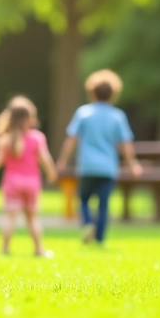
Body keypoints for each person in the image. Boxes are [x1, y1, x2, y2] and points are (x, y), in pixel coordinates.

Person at [56, 69, 143, 245]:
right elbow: (125, 144)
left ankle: (88, 223)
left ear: (91, 92)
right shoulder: (117, 116)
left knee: (84, 199)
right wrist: (133, 164)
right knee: (103, 204)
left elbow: (72, 139)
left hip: (87, 166)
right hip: (107, 167)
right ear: (114, 93)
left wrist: (63, 160)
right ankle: (100, 238)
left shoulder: (83, 113)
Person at [0, 96, 57, 257]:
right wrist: (52, 174)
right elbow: (45, 159)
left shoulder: (5, 139)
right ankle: (39, 249)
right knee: (32, 218)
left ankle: (5, 249)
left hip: (12, 183)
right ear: (30, 118)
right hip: (32, 183)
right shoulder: (37, 138)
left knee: (10, 217)